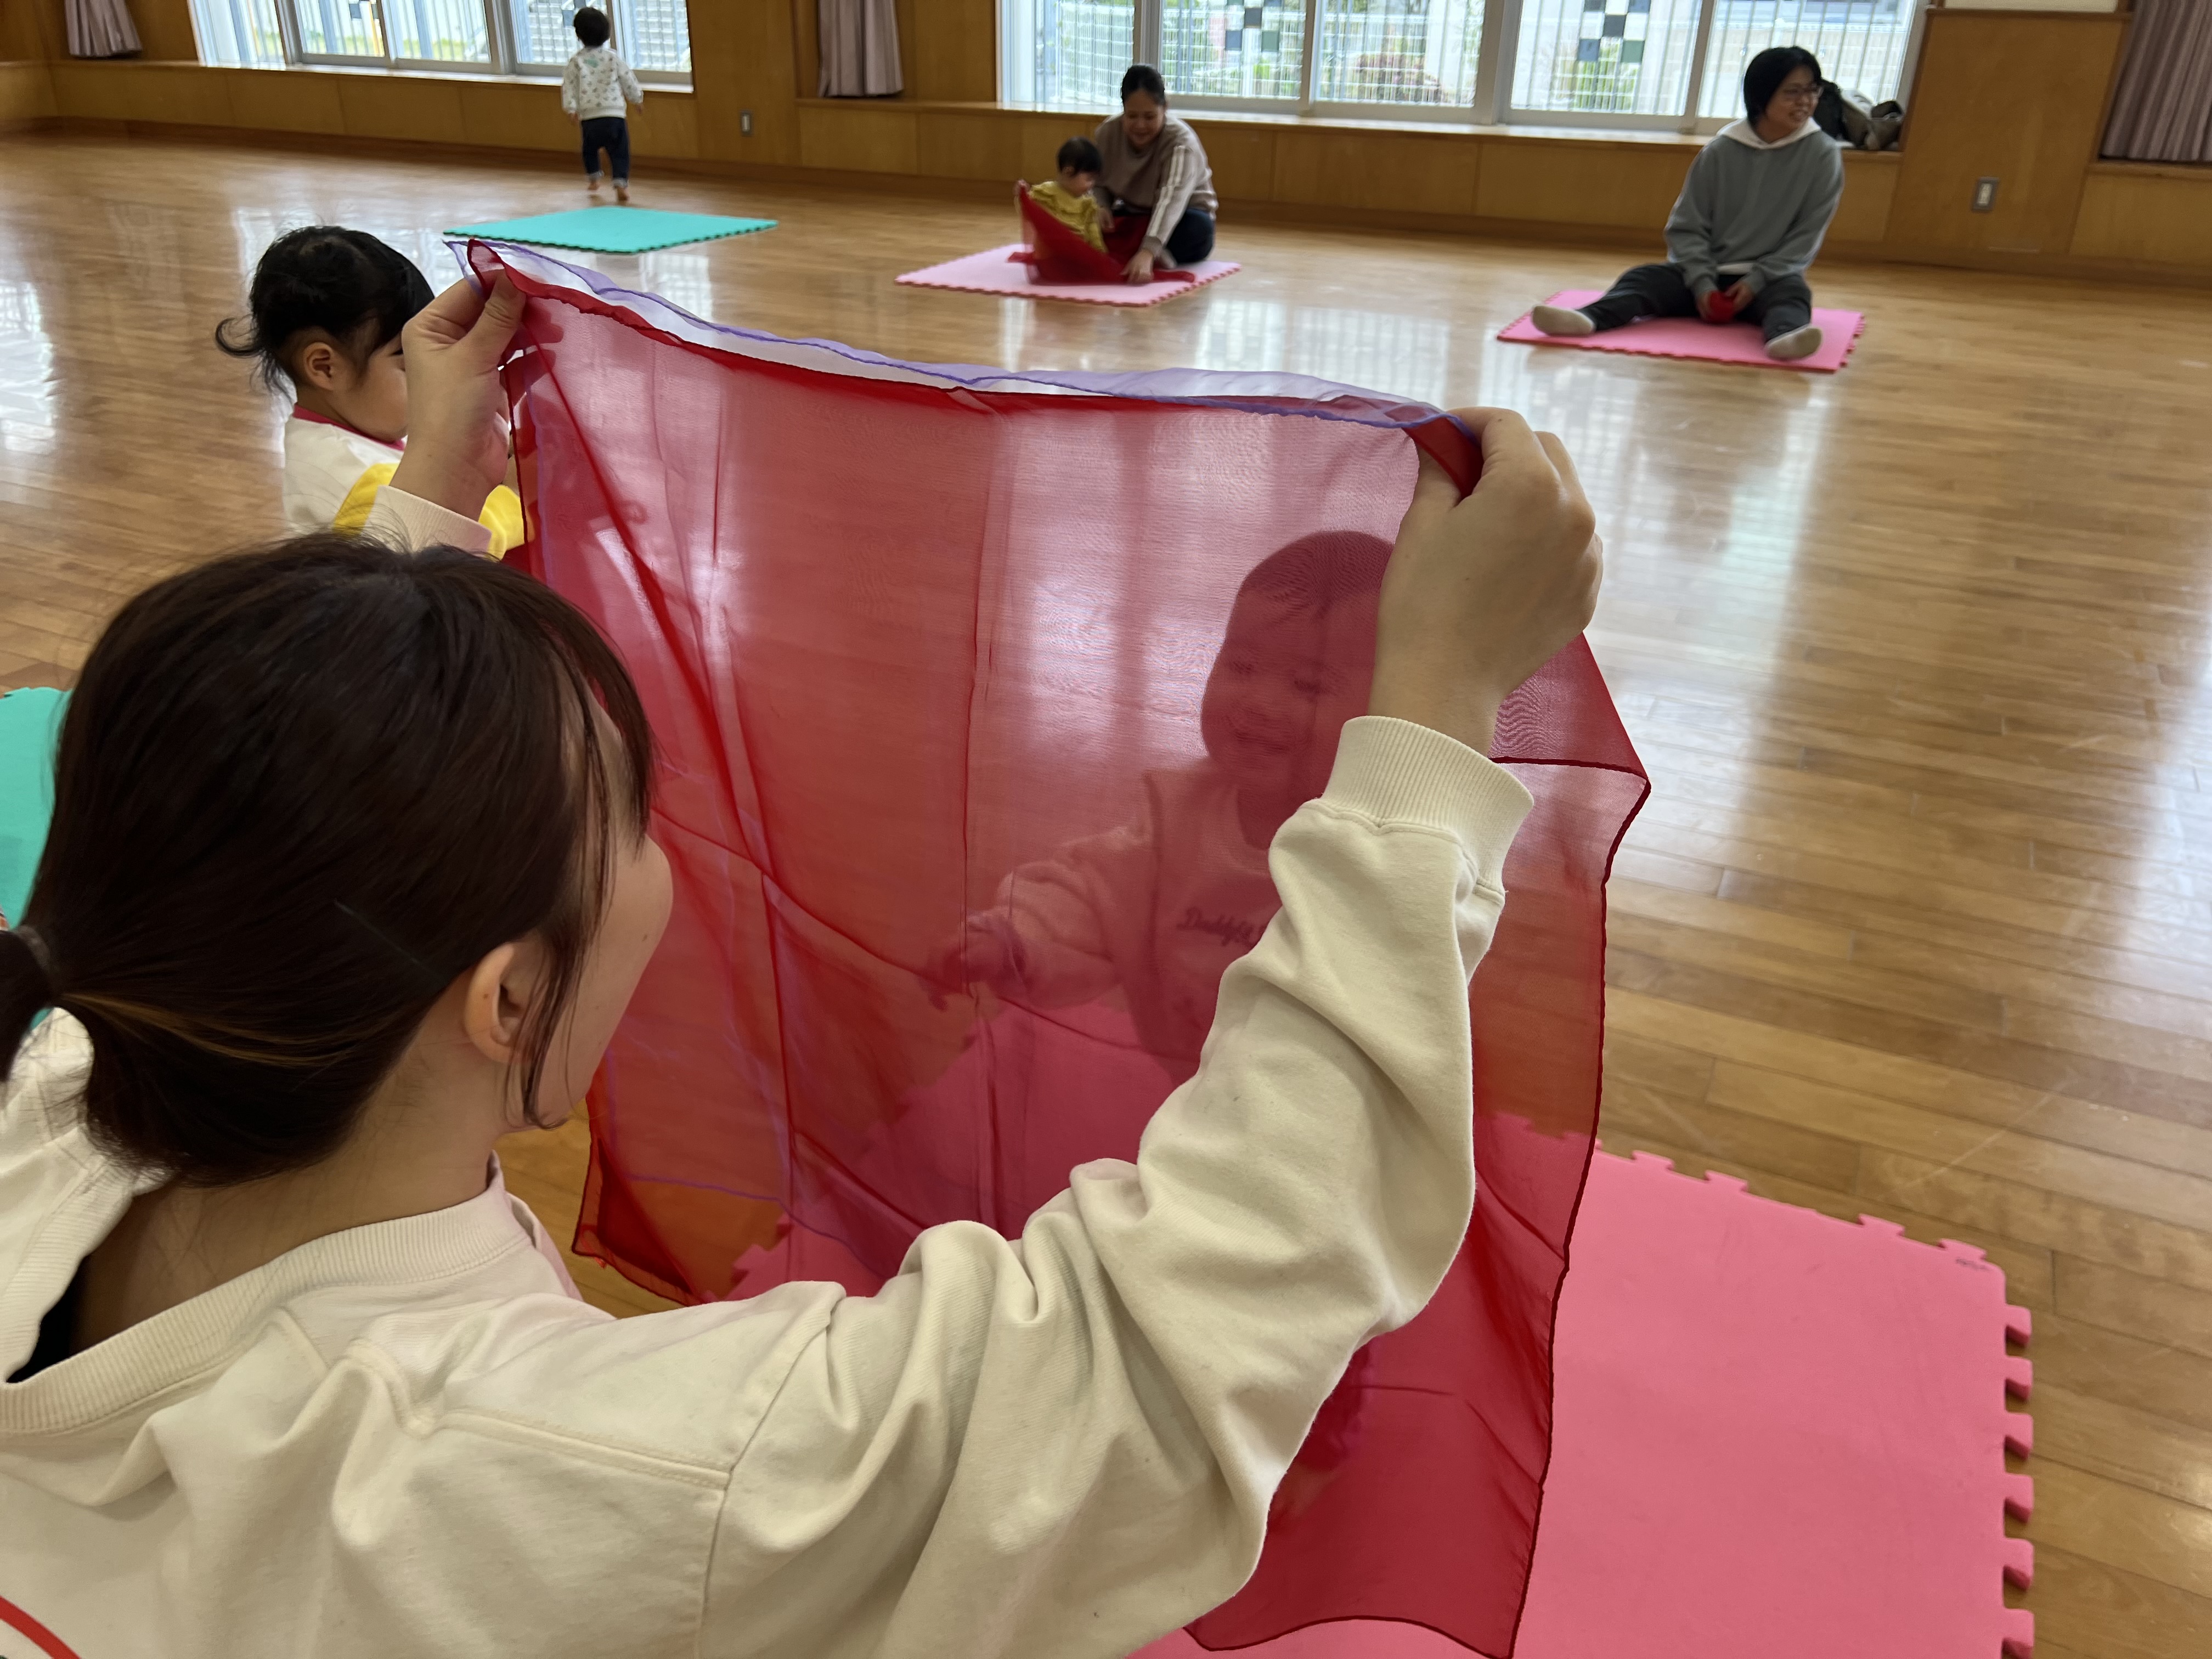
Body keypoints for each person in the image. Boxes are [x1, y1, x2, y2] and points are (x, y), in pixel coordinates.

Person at [0, 275, 1602, 1653]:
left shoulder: (72, 1054)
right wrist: (1436, 722)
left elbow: (273, 798)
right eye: (636, 824)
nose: (666, 857)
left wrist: (433, 486)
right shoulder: (594, 1482)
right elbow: (1154, 1365)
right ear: (510, 1000)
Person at [930, 531, 1386, 1079]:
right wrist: (1015, 938)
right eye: (1241, 666)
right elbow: (1095, 893)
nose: (1260, 703)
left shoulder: (1380, 843)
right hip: (1193, 1070)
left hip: (1315, 1093)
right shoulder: (1179, 814)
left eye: (1307, 686)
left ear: (1382, 711)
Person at [216, 225, 523, 555]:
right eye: (409, 367)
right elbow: (440, 549)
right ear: (325, 367)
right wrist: (514, 497)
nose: (431, 382)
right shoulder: (350, 472)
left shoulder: (348, 430)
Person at [1531, 46, 1844, 363]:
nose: (1805, 101)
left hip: (1769, 280)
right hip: (1701, 275)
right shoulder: (1721, 151)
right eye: (1792, 92)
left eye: (1812, 90)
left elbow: (1806, 235)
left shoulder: (1823, 154)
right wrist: (1703, 284)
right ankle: (1588, 318)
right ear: (1761, 95)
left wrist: (1754, 282)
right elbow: (1687, 226)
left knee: (1792, 295)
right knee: (1643, 279)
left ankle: (1785, 336)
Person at [1093, 64, 1220, 284]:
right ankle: (1138, 248)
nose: (1140, 125)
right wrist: (1101, 206)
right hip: (1136, 215)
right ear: (1123, 110)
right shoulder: (1108, 132)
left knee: (1198, 230)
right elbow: (1097, 182)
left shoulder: (1181, 142)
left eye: (1150, 117)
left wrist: (1148, 252)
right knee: (1088, 220)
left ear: (1165, 108)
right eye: (1132, 116)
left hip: (1182, 218)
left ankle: (1145, 251)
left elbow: (1172, 199)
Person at [562, 5, 643, 204]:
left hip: (590, 117)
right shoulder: (613, 58)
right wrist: (637, 99)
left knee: (589, 149)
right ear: (607, 34)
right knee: (620, 151)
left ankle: (594, 178)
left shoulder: (576, 61)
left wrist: (571, 109)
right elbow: (628, 80)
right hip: (614, 115)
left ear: (578, 35)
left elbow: (569, 86)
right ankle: (621, 184)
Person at [1024, 134, 1108, 252]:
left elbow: (1092, 229)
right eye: (1089, 179)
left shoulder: (1087, 203)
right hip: (1050, 253)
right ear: (1069, 172)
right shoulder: (1047, 194)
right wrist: (1022, 196)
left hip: (1077, 253)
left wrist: (1099, 251)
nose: (1092, 184)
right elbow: (1029, 213)